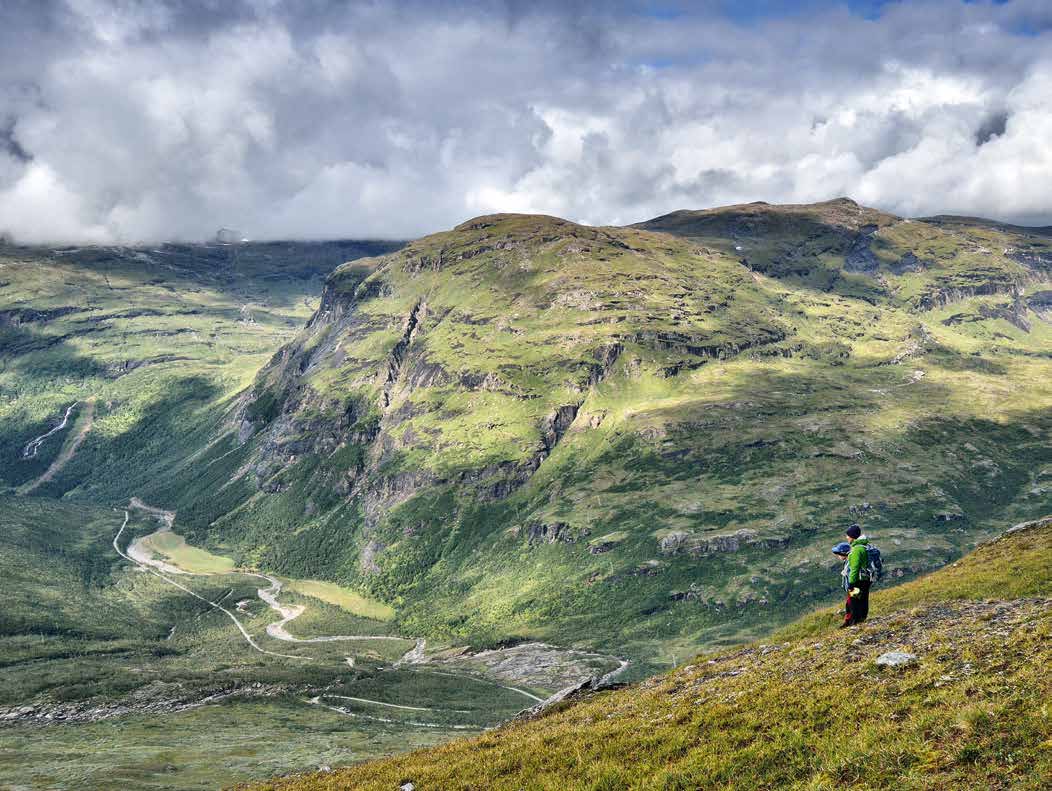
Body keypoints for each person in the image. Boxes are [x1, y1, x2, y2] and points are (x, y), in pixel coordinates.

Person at [841, 523, 871, 627]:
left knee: (854, 601)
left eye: (848, 535)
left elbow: (854, 568)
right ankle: (862, 618)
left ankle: (855, 621)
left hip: (858, 580)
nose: (847, 537)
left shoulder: (856, 550)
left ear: (852, 537)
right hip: (867, 578)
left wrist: (851, 583)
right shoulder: (865, 545)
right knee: (863, 599)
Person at [831, 541, 852, 625]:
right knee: (853, 603)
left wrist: (851, 587)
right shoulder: (848, 561)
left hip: (852, 588)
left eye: (838, 554)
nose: (838, 556)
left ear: (843, 554)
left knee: (850, 605)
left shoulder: (849, 563)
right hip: (853, 588)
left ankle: (848, 622)